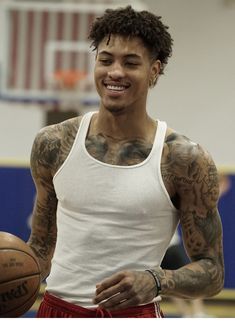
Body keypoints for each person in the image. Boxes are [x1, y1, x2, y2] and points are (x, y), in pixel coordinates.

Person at [27, 5, 224, 318]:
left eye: (130, 63)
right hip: (57, 310)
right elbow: (39, 248)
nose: (115, 72)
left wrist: (157, 279)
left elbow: (213, 272)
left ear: (154, 70)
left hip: (134, 314)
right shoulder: (52, 144)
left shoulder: (184, 159)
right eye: (106, 60)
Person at [161, 230, 212, 317]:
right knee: (169, 282)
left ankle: (196, 312)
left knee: (172, 281)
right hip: (164, 249)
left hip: (166, 248)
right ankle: (189, 313)